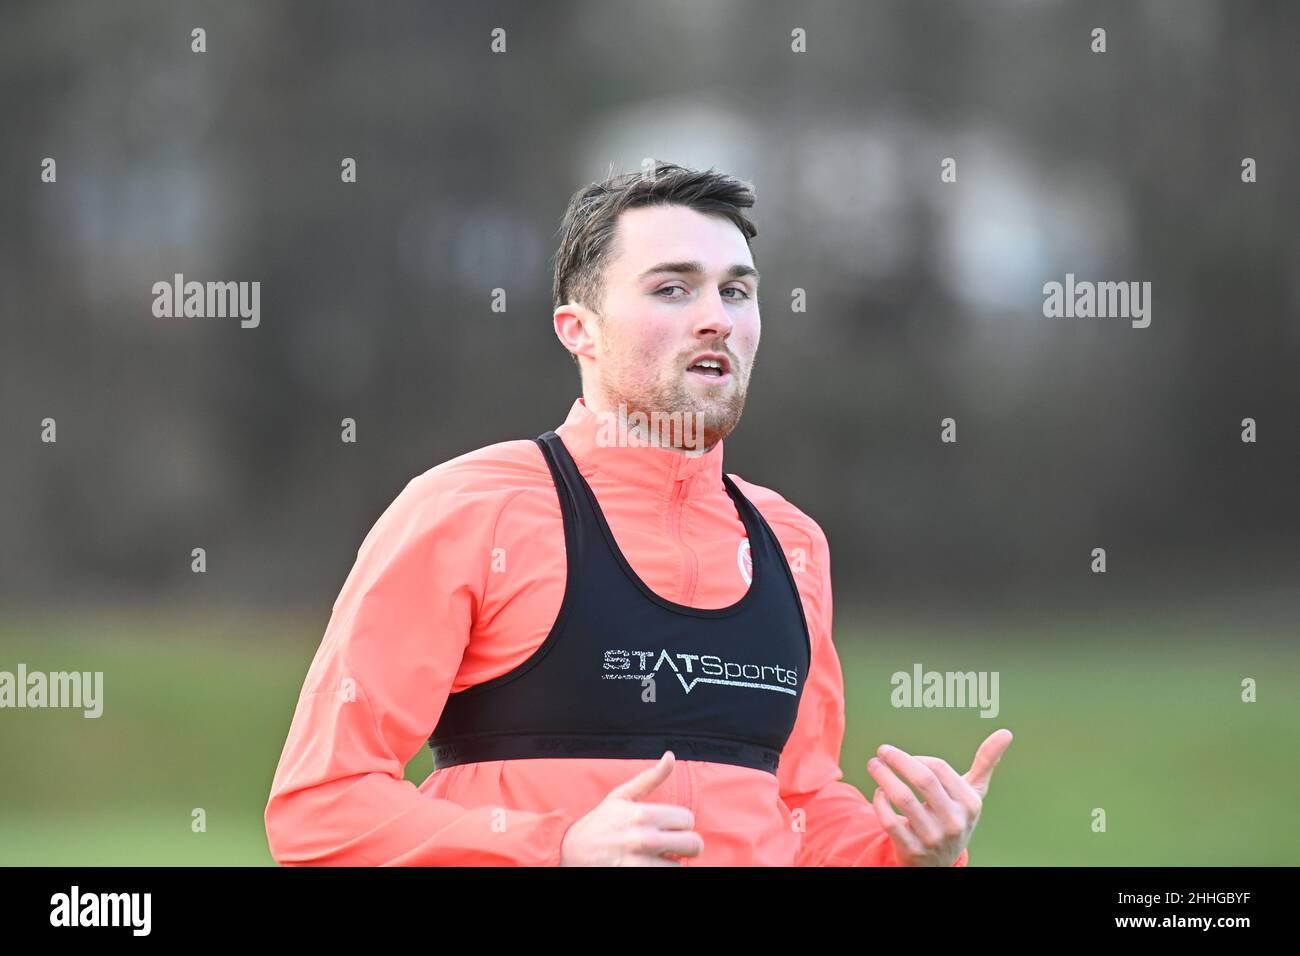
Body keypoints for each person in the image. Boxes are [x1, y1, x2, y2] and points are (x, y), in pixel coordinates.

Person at [264, 161, 1013, 866]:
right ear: (577, 329)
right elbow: (322, 808)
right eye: (672, 289)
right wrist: (555, 848)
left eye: (736, 291)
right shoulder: (469, 507)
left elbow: (799, 807)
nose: (716, 318)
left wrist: (906, 851)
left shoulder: (792, 543)